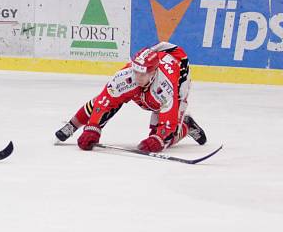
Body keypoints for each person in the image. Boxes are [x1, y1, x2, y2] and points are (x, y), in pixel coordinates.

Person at [54, 42, 207, 153]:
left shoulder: (165, 87)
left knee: (167, 138)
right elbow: (104, 101)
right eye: (136, 70)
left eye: (143, 73)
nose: (137, 76)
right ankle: (72, 125)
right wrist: (93, 128)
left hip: (178, 76)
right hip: (148, 88)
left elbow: (168, 122)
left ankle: (186, 126)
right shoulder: (127, 75)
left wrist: (158, 139)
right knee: (106, 98)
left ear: (153, 72)